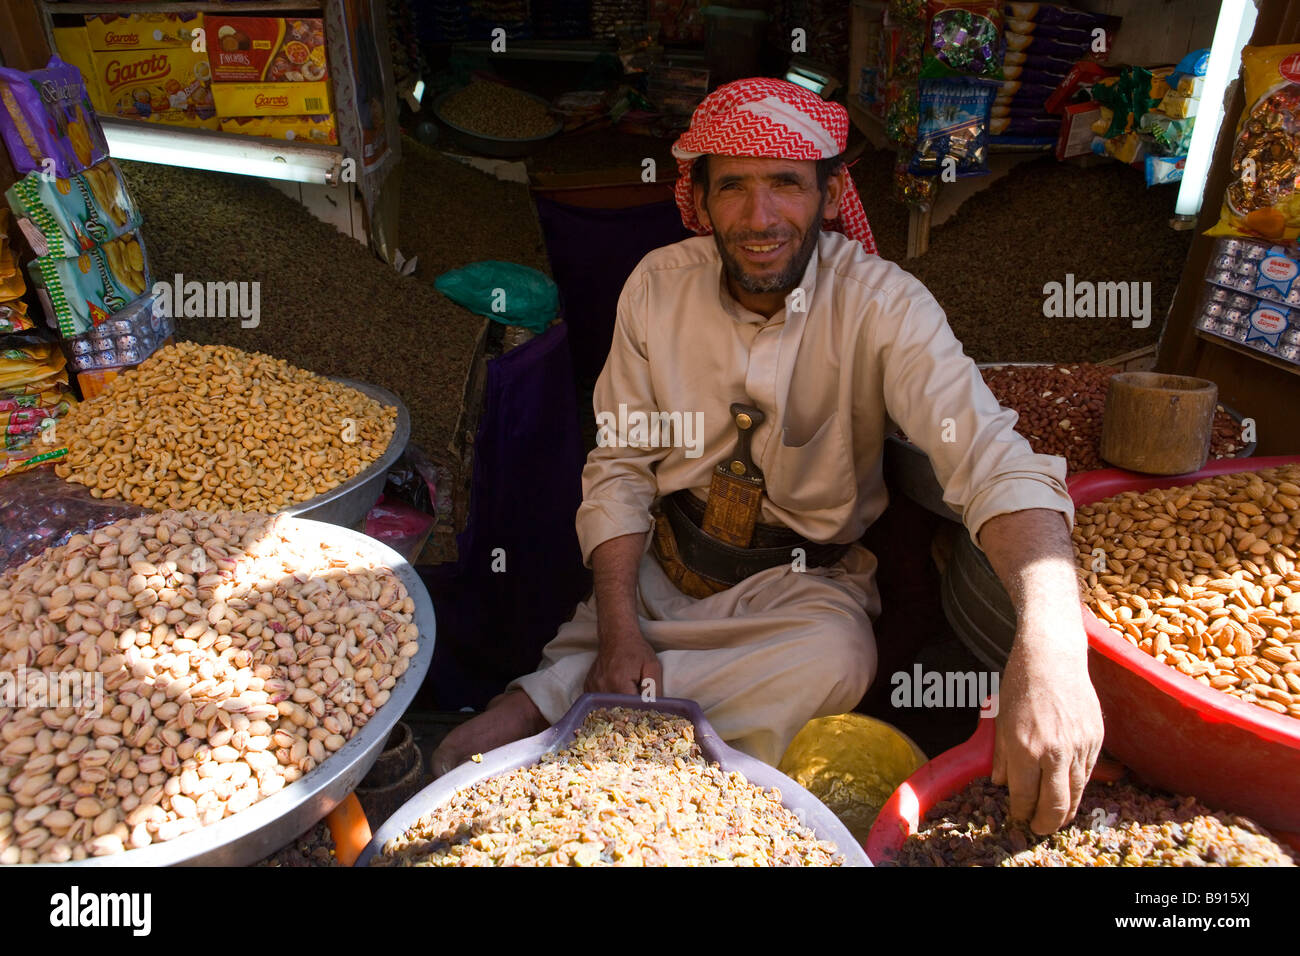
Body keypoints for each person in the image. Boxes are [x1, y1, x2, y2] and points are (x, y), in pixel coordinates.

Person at [433, 78, 1104, 835]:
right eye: (734, 188)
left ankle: (561, 715)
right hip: (664, 571)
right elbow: (619, 465)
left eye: (785, 183)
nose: (759, 218)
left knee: (836, 658)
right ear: (700, 199)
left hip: (798, 595)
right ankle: (602, 713)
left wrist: (1051, 648)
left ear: (829, 193)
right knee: (552, 689)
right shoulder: (657, 287)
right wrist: (620, 627)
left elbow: (991, 459)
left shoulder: (885, 306)